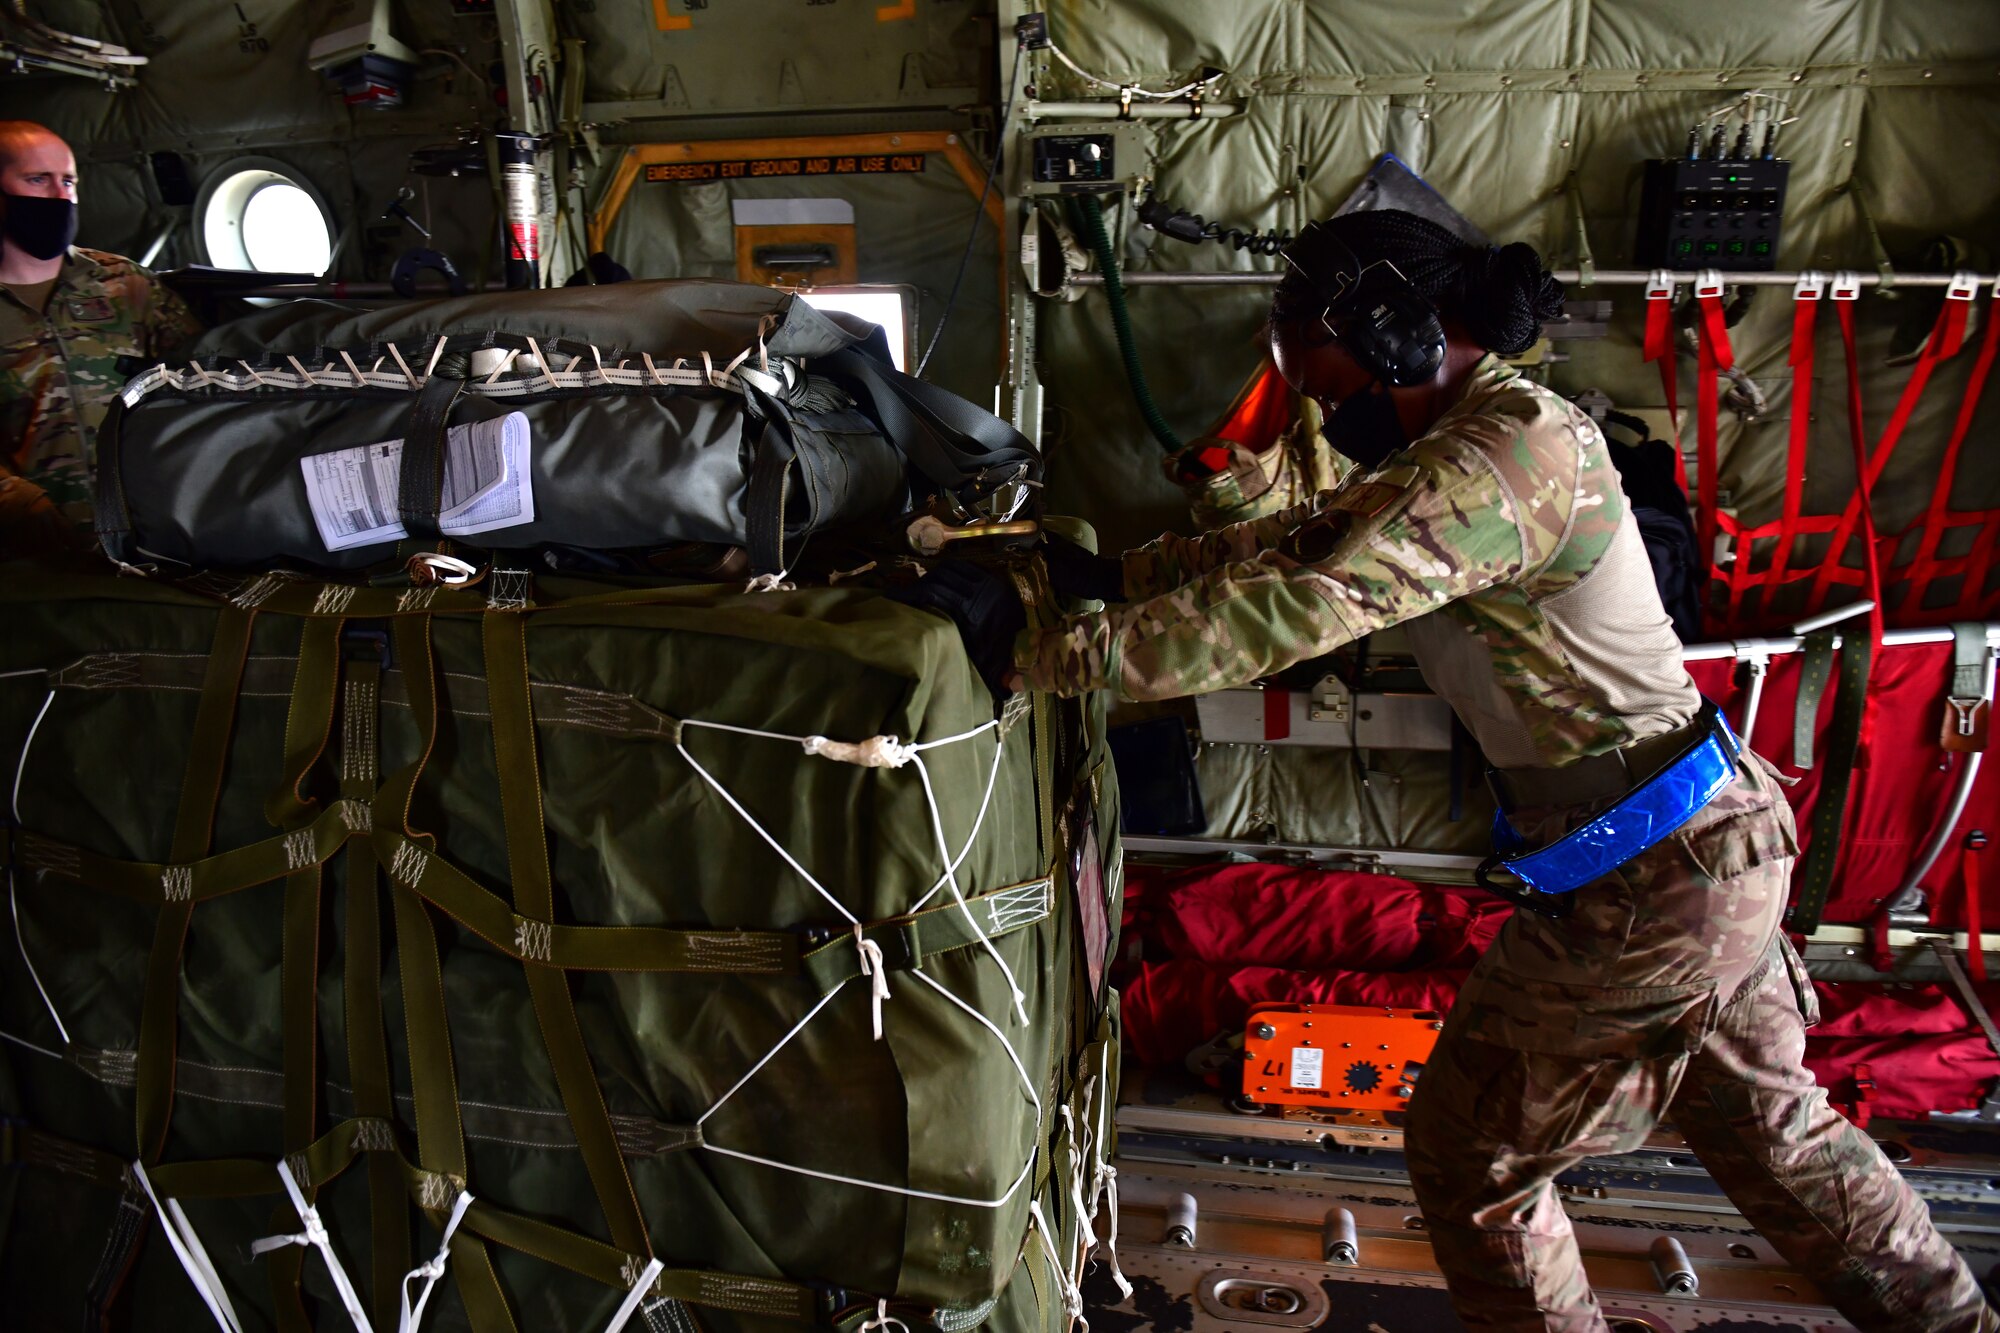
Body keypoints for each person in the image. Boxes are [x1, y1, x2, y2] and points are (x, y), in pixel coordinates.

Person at [1002, 209, 1997, 1331]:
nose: (1330, 416)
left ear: (1395, 336)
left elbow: (1306, 602)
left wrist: (1039, 659)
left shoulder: (1501, 454)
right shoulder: (1468, 444)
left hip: (1653, 878)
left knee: (1476, 1157)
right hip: (1690, 852)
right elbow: (1293, 543)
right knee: (1776, 1142)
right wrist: (1104, 575)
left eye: (1331, 391)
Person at [0, 120, 201, 556]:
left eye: (68, 181)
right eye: (37, 180)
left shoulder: (124, 284)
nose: (60, 196)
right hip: (28, 555)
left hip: (148, 536)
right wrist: (25, 511)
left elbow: (199, 380)